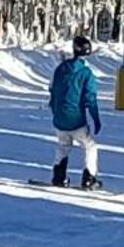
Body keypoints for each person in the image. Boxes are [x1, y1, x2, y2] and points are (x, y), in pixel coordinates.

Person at [48, 35, 104, 189]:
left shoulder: (60, 69)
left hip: (59, 119)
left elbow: (52, 90)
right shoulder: (86, 73)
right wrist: (96, 119)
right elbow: (90, 99)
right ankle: (89, 177)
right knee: (90, 146)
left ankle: (59, 175)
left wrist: (55, 110)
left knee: (63, 144)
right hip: (76, 120)